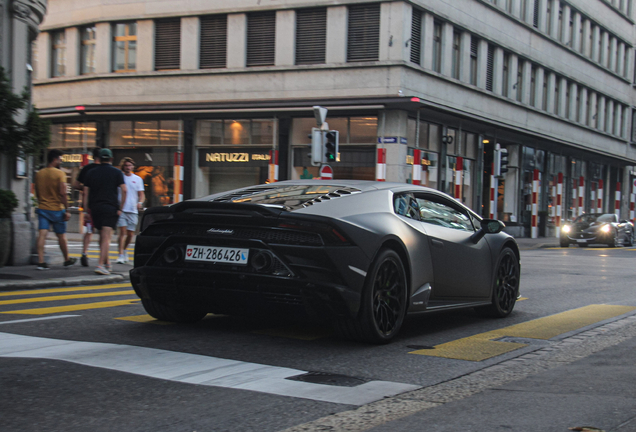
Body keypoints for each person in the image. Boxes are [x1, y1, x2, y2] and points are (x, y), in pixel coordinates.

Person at [83, 148, 127, 275]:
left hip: (95, 208)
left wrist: (86, 211)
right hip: (110, 208)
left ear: (99, 159)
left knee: (102, 236)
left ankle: (107, 264)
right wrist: (120, 208)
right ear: (111, 159)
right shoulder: (117, 172)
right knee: (107, 238)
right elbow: (124, 190)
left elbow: (85, 192)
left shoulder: (90, 172)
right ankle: (100, 265)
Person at [34, 149, 77, 270]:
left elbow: (37, 191)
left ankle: (41, 262)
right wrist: (67, 210)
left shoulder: (39, 173)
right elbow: (63, 193)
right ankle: (67, 259)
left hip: (43, 208)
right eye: (60, 159)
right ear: (55, 159)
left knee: (42, 234)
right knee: (61, 236)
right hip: (57, 209)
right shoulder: (60, 174)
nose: (60, 161)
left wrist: (41, 201)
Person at [73, 147, 102, 267]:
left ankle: (84, 252)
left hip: (89, 204)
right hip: (101, 203)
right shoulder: (105, 169)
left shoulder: (86, 169)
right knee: (103, 232)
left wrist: (85, 189)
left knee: (89, 231)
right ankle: (103, 257)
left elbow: (75, 184)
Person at [116, 157, 145, 264]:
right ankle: (120, 255)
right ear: (123, 167)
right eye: (126, 165)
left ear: (132, 166)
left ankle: (124, 249)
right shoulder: (119, 178)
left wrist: (140, 203)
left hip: (133, 210)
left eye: (129, 165)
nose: (128, 167)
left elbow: (141, 195)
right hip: (122, 209)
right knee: (122, 232)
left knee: (130, 234)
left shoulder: (137, 179)